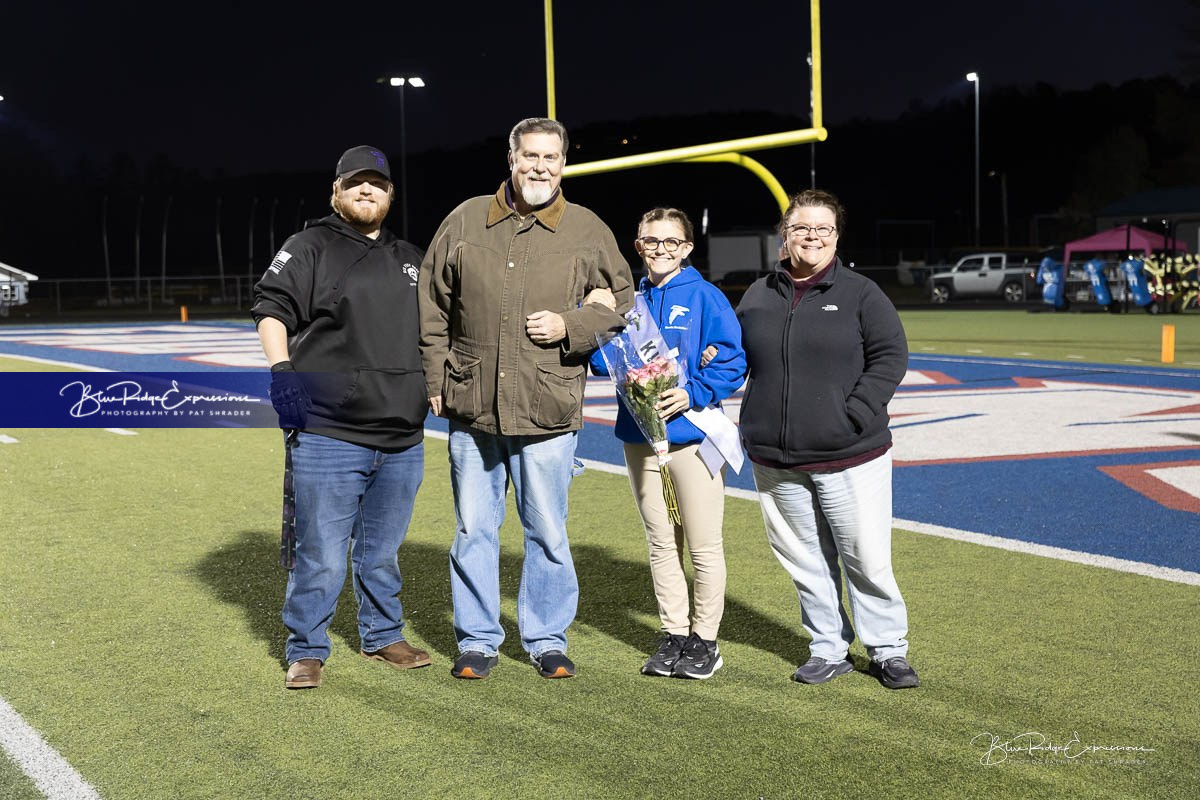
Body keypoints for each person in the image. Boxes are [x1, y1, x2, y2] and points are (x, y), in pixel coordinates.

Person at [418, 117, 634, 680]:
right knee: (473, 529)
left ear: (564, 163)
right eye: (530, 156)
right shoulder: (465, 220)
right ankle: (478, 639)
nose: (540, 167)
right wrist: (435, 380)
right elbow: (433, 304)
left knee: (549, 532)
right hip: (472, 406)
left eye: (551, 158)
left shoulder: (586, 229)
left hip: (547, 406)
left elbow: (624, 303)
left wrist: (570, 324)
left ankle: (545, 637)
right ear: (510, 158)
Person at [252, 145, 431, 689]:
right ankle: (306, 648)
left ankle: (382, 634)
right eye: (356, 183)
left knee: (381, 551)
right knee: (323, 553)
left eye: (377, 183)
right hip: (331, 428)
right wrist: (283, 371)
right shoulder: (309, 246)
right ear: (337, 191)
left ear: (391, 193)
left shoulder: (413, 257)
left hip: (403, 433)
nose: (367, 191)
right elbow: (271, 310)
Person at [735, 189, 919, 690]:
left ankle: (886, 649)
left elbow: (890, 358)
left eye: (823, 229)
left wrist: (853, 414)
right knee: (804, 559)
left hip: (849, 454)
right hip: (775, 458)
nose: (812, 237)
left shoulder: (861, 293)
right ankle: (828, 647)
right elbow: (736, 359)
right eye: (801, 228)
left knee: (865, 557)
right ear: (785, 237)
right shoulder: (757, 294)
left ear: (836, 237)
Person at [590, 208, 746, 680]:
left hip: (692, 438)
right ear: (637, 246)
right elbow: (601, 364)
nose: (659, 249)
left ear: (687, 247)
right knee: (661, 543)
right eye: (649, 241)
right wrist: (598, 319)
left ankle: (705, 641)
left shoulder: (705, 296)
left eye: (669, 242)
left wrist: (691, 392)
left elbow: (732, 362)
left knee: (702, 545)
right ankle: (674, 634)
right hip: (640, 438)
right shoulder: (628, 300)